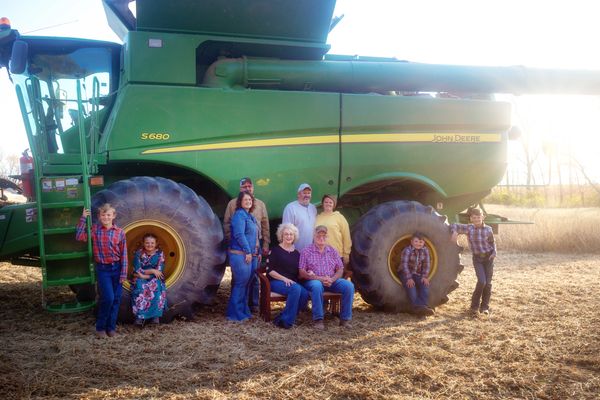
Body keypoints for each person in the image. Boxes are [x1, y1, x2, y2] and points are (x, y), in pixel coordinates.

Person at [76, 203, 127, 338]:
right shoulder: (95, 230)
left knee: (116, 300)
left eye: (108, 215)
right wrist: (83, 218)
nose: (106, 217)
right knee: (108, 298)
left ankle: (111, 329)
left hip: (117, 269)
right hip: (103, 270)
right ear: (99, 216)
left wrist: (123, 273)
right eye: (103, 215)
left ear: (113, 216)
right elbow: (80, 237)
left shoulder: (120, 232)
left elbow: (124, 255)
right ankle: (100, 328)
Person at [223, 177, 270, 313]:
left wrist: (264, 245)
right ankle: (236, 309)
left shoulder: (260, 205)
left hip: (256, 245)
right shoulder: (234, 206)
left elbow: (264, 226)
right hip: (241, 249)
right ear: (240, 190)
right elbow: (229, 225)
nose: (247, 188)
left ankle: (252, 305)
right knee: (239, 279)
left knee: (253, 277)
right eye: (244, 187)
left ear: (253, 188)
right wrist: (230, 242)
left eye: (249, 186)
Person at [299, 225, 355, 329]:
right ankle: (318, 320)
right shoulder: (306, 251)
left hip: (331, 280)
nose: (321, 238)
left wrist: (332, 279)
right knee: (316, 286)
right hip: (314, 280)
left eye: (324, 235)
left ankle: (345, 320)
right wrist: (320, 279)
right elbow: (301, 272)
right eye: (318, 235)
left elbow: (340, 269)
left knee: (349, 286)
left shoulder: (332, 251)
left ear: (327, 237)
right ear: (314, 236)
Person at [451, 207, 497, 316]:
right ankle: (474, 307)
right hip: (478, 259)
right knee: (482, 281)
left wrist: (494, 252)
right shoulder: (469, 228)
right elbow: (453, 225)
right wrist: (454, 233)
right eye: (474, 218)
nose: (476, 220)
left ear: (483, 217)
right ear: (471, 218)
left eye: (478, 217)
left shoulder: (488, 229)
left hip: (488, 258)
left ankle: (484, 307)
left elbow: (492, 242)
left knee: (488, 284)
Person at [266, 223, 309, 329]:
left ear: (294, 237)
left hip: (292, 282)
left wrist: (309, 272)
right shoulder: (275, 250)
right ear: (281, 236)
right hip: (276, 281)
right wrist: (284, 279)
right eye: (286, 234)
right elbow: (270, 271)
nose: (289, 236)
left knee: (304, 293)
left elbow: (298, 273)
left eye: (291, 234)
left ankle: (282, 317)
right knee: (295, 289)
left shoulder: (297, 254)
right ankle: (286, 322)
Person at [226, 191, 259, 322]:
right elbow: (240, 235)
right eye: (245, 200)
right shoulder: (239, 215)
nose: (248, 201)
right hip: (241, 255)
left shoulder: (250, 216)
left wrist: (258, 251)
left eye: (250, 200)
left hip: (251, 255)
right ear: (240, 202)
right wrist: (248, 251)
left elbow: (255, 236)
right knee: (240, 284)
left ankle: (244, 311)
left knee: (246, 284)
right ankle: (234, 314)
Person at [131, 233, 167, 326]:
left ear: (156, 243)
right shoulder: (138, 253)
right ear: (143, 243)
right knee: (140, 286)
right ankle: (140, 317)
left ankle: (155, 317)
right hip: (139, 276)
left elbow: (159, 272)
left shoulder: (160, 254)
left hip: (153, 277)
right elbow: (137, 269)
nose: (149, 245)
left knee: (156, 286)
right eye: (147, 243)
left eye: (152, 243)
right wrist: (151, 270)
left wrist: (147, 275)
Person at [398, 232, 434, 316]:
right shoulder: (407, 250)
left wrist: (424, 276)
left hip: (416, 273)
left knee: (424, 285)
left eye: (421, 242)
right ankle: (419, 308)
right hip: (404, 272)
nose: (418, 244)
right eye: (416, 241)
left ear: (424, 243)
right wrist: (409, 278)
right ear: (411, 242)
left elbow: (426, 264)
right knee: (411, 286)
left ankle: (422, 307)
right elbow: (404, 265)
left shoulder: (425, 251)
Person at [315, 194, 352, 270]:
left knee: (336, 278)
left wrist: (346, 254)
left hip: (336, 254)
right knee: (323, 278)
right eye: (326, 202)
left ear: (334, 205)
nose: (328, 204)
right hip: (320, 254)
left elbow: (346, 236)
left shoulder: (339, 217)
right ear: (322, 204)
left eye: (330, 202)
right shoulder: (318, 217)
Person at [282, 183, 317, 251]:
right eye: (304, 193)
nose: (307, 195)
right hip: (295, 251)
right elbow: (285, 231)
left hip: (311, 251)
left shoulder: (313, 208)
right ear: (298, 194)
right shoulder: (290, 208)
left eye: (309, 193)